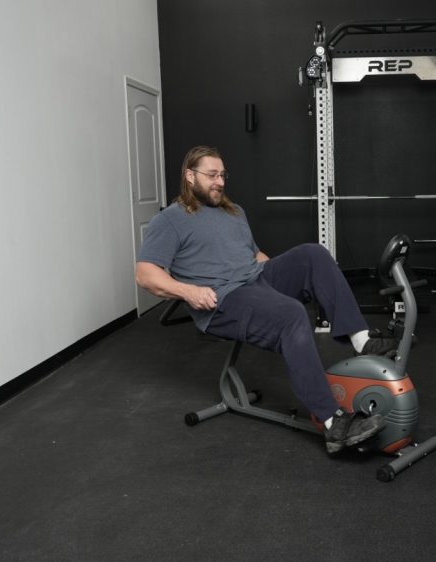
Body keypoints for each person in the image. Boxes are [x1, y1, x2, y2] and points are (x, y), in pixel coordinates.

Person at [136, 145, 399, 454]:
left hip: (256, 280)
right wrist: (188, 292)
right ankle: (334, 424)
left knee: (312, 254)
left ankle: (361, 340)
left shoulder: (234, 212)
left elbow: (254, 256)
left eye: (223, 175)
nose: (220, 182)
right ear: (190, 176)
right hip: (223, 299)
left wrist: (280, 275)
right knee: (291, 313)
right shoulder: (170, 219)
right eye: (212, 175)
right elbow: (145, 274)